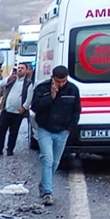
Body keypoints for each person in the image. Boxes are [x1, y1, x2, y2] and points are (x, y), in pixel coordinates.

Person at [30, 64, 81, 206]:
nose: (60, 84)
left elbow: (77, 111)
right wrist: (51, 97)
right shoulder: (41, 88)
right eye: (58, 81)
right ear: (52, 78)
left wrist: (70, 128)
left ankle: (44, 184)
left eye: (63, 81)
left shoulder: (73, 90)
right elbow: (34, 107)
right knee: (47, 158)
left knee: (55, 162)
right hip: (45, 128)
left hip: (63, 131)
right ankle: (48, 192)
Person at [0, 63, 34, 156]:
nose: (19, 69)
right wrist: (9, 78)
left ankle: (10, 149)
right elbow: (0, 84)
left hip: (18, 112)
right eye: (18, 68)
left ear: (26, 70)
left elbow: (29, 97)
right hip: (6, 110)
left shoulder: (28, 83)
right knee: (1, 130)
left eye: (22, 68)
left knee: (13, 132)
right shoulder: (11, 80)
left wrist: (24, 108)